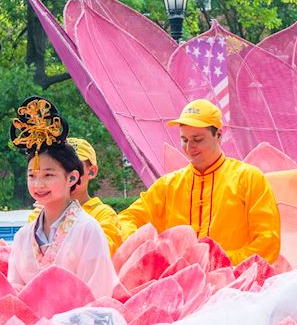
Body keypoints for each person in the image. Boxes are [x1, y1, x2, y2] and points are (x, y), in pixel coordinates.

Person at [118, 98, 280, 265]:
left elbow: (268, 243)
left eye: (197, 139)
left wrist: (219, 262)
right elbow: (127, 219)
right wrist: (146, 249)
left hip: (237, 285)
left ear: (218, 135)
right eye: (185, 140)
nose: (189, 147)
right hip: (181, 285)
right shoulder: (167, 186)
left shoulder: (249, 178)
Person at [8, 97, 119, 295]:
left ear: (72, 178)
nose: (38, 184)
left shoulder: (88, 229)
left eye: (48, 175)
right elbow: (14, 294)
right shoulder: (22, 237)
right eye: (32, 176)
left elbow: (98, 293)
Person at [67, 137, 124, 255]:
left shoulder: (104, 215)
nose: (68, 174)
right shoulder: (42, 213)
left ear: (91, 171)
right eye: (61, 167)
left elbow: (103, 253)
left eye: (73, 166)